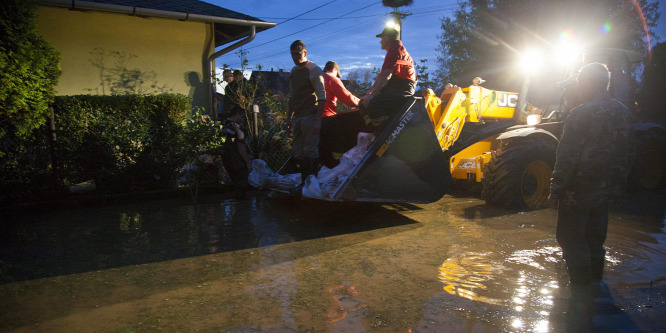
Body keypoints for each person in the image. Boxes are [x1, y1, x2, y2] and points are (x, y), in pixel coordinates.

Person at [548, 63, 633, 301]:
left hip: (578, 189)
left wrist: (556, 189)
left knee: (571, 239)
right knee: (595, 238)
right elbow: (629, 152)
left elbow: (567, 155)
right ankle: (596, 287)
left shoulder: (581, 113)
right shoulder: (623, 111)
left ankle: (579, 292)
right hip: (607, 188)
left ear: (586, 83)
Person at [360, 27, 416, 128]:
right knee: (363, 103)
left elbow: (387, 75)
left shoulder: (396, 50)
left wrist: (372, 97)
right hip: (397, 85)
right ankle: (373, 130)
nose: (380, 42)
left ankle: (385, 130)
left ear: (387, 38)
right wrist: (368, 94)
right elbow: (381, 77)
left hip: (403, 87)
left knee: (374, 104)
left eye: (382, 38)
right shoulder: (394, 50)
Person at [286, 40, 326, 183]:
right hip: (297, 117)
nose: (295, 58)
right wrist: (288, 119)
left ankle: (312, 183)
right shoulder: (294, 71)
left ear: (305, 53)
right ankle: (304, 182)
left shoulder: (314, 70)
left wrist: (317, 121)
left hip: (310, 116)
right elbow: (292, 97)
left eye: (297, 54)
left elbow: (322, 97)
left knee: (310, 152)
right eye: (292, 55)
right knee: (298, 152)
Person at [320, 60, 360, 168]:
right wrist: (362, 102)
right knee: (339, 144)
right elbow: (347, 98)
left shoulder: (315, 78)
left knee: (320, 148)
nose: (338, 77)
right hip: (327, 118)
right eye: (337, 75)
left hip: (311, 120)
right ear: (333, 70)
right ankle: (336, 168)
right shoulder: (331, 79)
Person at [222, 107, 253, 199]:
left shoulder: (223, 126)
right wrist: (248, 163)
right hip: (237, 160)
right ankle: (241, 210)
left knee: (234, 183)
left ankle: (236, 207)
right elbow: (240, 146)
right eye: (242, 117)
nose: (242, 119)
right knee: (241, 186)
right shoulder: (237, 128)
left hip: (226, 159)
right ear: (238, 114)